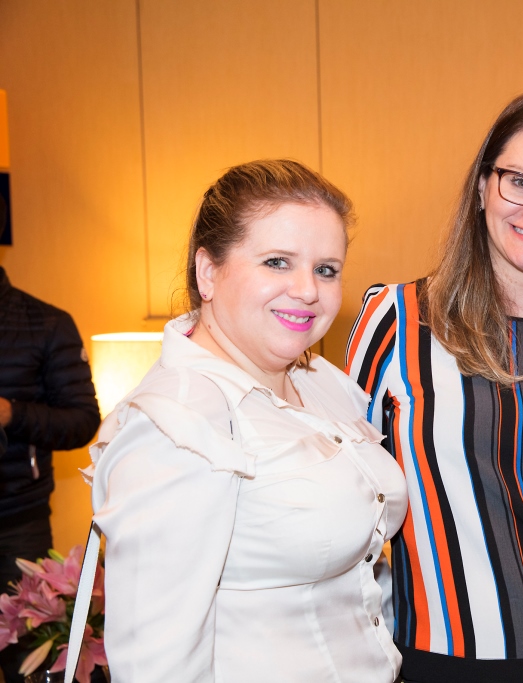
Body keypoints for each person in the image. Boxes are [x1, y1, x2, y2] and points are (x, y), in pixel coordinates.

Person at [345, 90, 523, 683]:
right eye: (520, 181)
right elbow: (348, 497)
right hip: (442, 660)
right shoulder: (395, 319)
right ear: (483, 186)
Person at [89, 160, 407, 682]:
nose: (308, 289)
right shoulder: (183, 422)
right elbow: (155, 665)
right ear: (208, 272)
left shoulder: (318, 381)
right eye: (278, 262)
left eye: (326, 269)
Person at [0, 266, 101, 682]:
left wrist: (12, 413)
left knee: (26, 659)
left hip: (17, 522)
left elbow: (82, 420)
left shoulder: (46, 322)